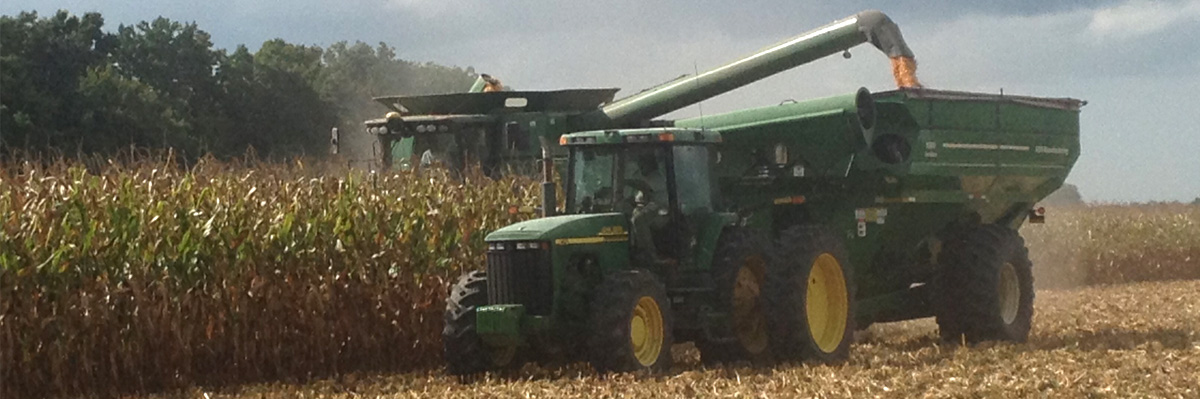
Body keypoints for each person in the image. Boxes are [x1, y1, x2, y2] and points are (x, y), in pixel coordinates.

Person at [628, 152, 671, 265]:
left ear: (650, 164)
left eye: (643, 163)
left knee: (639, 219)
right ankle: (632, 249)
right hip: (644, 206)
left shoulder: (656, 177)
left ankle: (650, 254)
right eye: (640, 164)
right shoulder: (641, 176)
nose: (641, 166)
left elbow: (646, 188)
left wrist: (623, 181)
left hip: (662, 208)